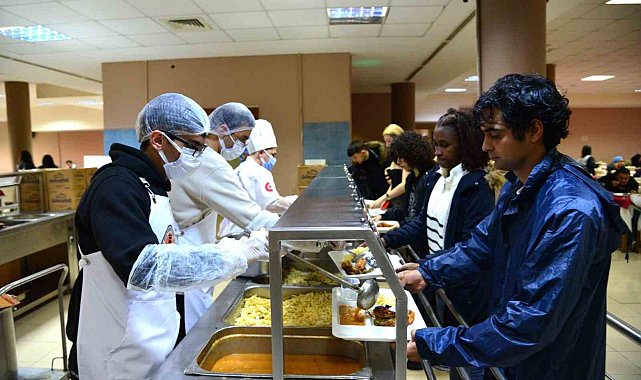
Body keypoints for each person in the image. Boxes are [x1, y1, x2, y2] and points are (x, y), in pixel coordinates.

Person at [396, 74, 627, 380]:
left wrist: (436, 343)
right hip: (514, 359)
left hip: (552, 366)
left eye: (495, 135)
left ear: (533, 130)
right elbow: (482, 244)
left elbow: (531, 322)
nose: (485, 145)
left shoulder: (571, 211)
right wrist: (428, 271)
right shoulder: (519, 183)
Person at [65, 93, 269, 380]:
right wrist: (235, 254)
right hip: (118, 351)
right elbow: (146, 268)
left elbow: (170, 251)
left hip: (153, 337)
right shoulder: (116, 185)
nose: (199, 156)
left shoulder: (155, 185)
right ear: (158, 140)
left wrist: (231, 248)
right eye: (194, 147)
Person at [381, 109, 495, 379]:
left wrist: (428, 267)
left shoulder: (476, 186)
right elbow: (422, 223)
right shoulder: (437, 178)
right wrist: (385, 239)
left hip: (467, 285)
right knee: (451, 345)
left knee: (468, 360)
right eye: (436, 145)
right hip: (442, 275)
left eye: (445, 145)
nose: (438, 152)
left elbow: (470, 245)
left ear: (465, 145)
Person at [169, 104, 279, 332]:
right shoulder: (208, 163)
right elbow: (252, 216)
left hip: (198, 243)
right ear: (221, 129)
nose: (242, 146)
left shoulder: (209, 159)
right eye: (241, 138)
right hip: (188, 247)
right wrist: (299, 233)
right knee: (194, 324)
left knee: (198, 307)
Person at [219, 119, 296, 236]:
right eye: (273, 154)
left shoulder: (240, 169)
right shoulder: (259, 172)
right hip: (245, 232)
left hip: (230, 230)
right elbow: (271, 205)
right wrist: (295, 203)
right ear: (261, 152)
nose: (273, 159)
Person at [378, 131, 434, 227]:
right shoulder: (411, 178)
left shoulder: (430, 177)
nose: (399, 162)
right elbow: (406, 210)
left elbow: (422, 218)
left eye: (402, 157)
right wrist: (383, 216)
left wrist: (399, 224)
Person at [369, 124, 409, 210]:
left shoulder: (405, 157)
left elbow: (404, 185)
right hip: (395, 199)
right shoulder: (394, 158)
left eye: (389, 141)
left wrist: (385, 198)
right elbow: (393, 185)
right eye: (385, 141)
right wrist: (379, 202)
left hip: (404, 201)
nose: (387, 145)